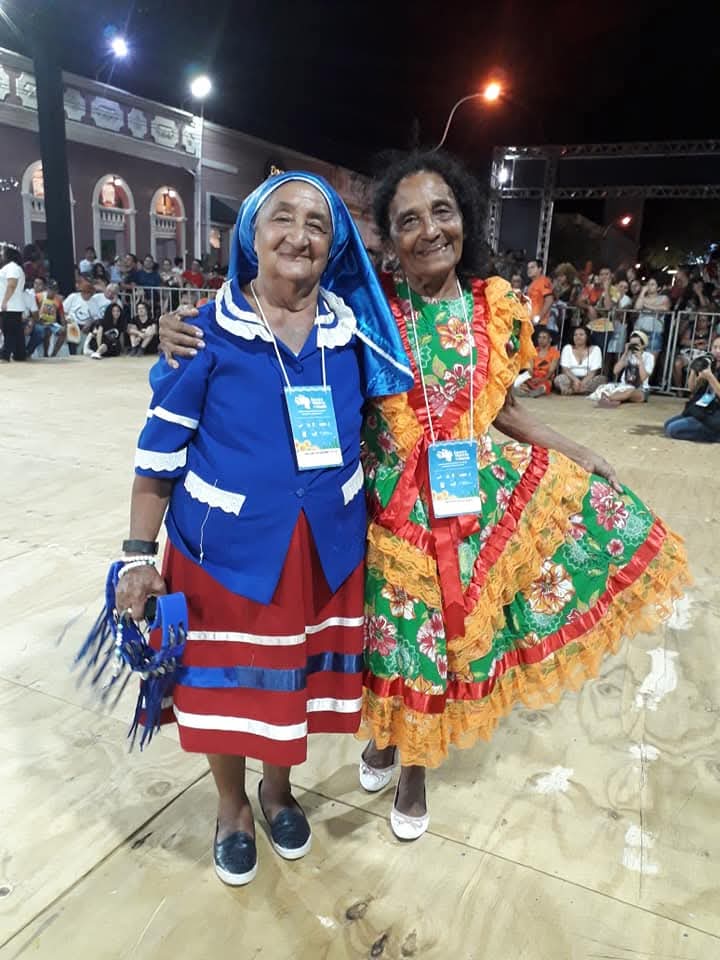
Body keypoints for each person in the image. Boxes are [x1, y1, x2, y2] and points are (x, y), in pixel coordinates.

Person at [158, 151, 689, 842]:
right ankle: (383, 740)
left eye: (443, 212)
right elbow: (272, 302)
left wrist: (574, 449)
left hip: (468, 497)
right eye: (408, 220)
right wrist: (186, 325)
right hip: (385, 504)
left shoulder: (495, 307)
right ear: (387, 238)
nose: (430, 230)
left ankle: (414, 770)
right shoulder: (361, 309)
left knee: (445, 644)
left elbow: (503, 409)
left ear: (466, 217)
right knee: (391, 641)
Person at [113, 171, 413, 885]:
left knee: (293, 687)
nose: (299, 236)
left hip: (324, 554)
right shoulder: (204, 332)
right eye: (282, 218)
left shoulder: (354, 334)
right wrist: (136, 555)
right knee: (225, 690)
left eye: (317, 224)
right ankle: (231, 807)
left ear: (334, 246)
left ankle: (278, 792)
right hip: (225, 554)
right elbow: (158, 456)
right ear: (251, 232)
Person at [664, 334, 720, 442]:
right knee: (667, 425)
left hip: (715, 413)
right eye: (715, 347)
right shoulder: (710, 364)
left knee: (672, 430)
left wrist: (710, 377)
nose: (718, 351)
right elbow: (693, 388)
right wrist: (694, 370)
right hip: (703, 409)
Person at [588, 329, 654, 406]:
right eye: (631, 344)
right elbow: (615, 371)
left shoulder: (649, 357)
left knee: (629, 392)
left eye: (636, 345)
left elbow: (643, 378)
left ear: (643, 345)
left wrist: (640, 359)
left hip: (640, 389)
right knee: (605, 387)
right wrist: (625, 353)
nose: (633, 347)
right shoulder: (628, 355)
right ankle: (614, 399)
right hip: (623, 386)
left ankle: (608, 398)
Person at [554, 325, 606, 395]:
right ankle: (582, 391)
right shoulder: (567, 348)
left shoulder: (596, 349)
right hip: (570, 379)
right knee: (560, 378)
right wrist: (576, 381)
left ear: (587, 337)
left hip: (588, 380)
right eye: (575, 335)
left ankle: (572, 391)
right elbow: (565, 369)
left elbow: (593, 372)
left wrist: (583, 382)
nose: (578, 337)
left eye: (581, 334)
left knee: (602, 379)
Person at [0, 243, 28, 362]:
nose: (1, 254)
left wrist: (4, 301)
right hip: (14, 306)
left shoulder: (12, 267)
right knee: (16, 332)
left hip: (10, 306)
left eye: (3, 252)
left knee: (9, 331)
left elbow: (12, 285)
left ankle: (5, 355)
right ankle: (20, 354)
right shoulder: (13, 267)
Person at [515, 326, 559, 397]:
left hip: (545, 378)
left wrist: (541, 380)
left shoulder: (555, 352)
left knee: (545, 385)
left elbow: (551, 371)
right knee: (519, 381)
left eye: (544, 337)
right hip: (532, 377)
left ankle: (530, 391)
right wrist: (532, 378)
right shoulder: (533, 350)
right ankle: (528, 390)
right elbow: (530, 369)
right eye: (539, 337)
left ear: (550, 339)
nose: (541, 340)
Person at [63, 280, 105, 355]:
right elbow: (63, 310)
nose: (87, 295)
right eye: (85, 292)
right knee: (72, 330)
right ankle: (73, 354)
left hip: (85, 326)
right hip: (72, 323)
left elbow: (97, 317)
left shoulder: (93, 301)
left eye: (89, 293)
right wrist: (67, 318)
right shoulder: (73, 297)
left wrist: (90, 322)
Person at [633, 277, 670, 360]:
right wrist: (642, 292)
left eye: (652, 284)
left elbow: (664, 308)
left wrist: (645, 305)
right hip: (639, 332)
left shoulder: (664, 298)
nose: (649, 286)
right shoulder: (643, 297)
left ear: (658, 288)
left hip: (655, 333)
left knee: (650, 362)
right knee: (635, 361)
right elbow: (637, 307)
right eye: (648, 284)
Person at [526, 258, 553, 326]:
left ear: (540, 269)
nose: (529, 270)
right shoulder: (531, 284)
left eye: (532, 267)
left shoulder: (543, 281)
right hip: (529, 321)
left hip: (538, 323)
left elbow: (549, 300)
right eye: (528, 268)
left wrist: (538, 318)